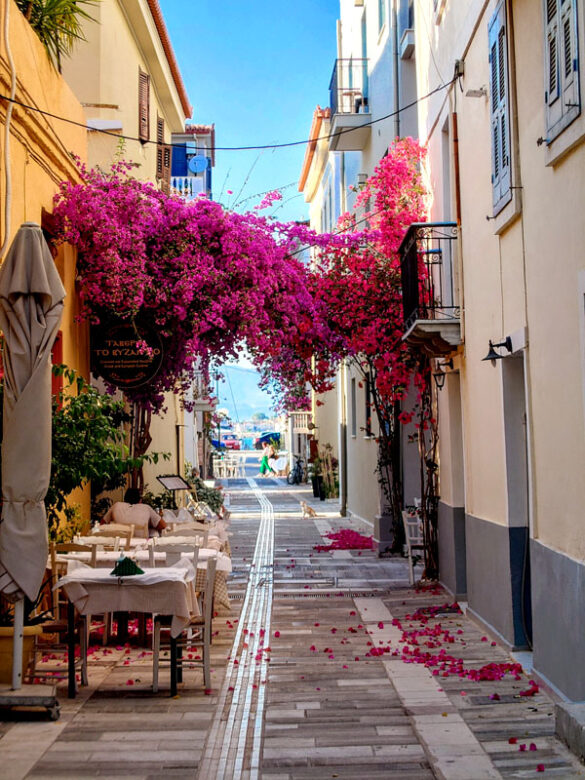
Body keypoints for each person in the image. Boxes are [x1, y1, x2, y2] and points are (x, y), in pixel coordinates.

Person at [101, 487, 166, 538]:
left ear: (124, 499)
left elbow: (102, 524)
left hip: (120, 545)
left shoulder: (116, 505)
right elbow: (163, 526)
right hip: (141, 547)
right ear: (140, 500)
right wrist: (149, 525)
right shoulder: (146, 508)